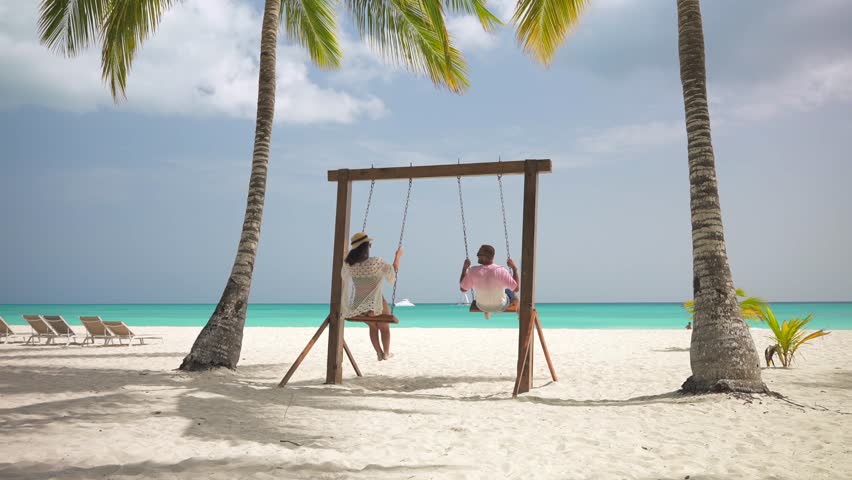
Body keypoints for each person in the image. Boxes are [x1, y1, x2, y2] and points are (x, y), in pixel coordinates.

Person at [342, 232, 402, 361]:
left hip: (359, 306)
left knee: (373, 327)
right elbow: (392, 270)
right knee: (384, 327)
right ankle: (386, 353)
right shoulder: (375, 262)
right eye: (369, 244)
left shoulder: (350, 265)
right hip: (376, 303)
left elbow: (344, 276)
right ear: (366, 247)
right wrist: (398, 256)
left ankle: (379, 353)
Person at [459, 244, 519, 319]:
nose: (477, 255)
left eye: (478, 254)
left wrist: (464, 268)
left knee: (498, 290)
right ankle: (519, 314)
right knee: (512, 292)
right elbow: (516, 289)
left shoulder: (473, 271)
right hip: (500, 306)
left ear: (485, 256)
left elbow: (462, 289)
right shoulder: (501, 270)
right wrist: (514, 269)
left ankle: (487, 311)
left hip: (481, 306)